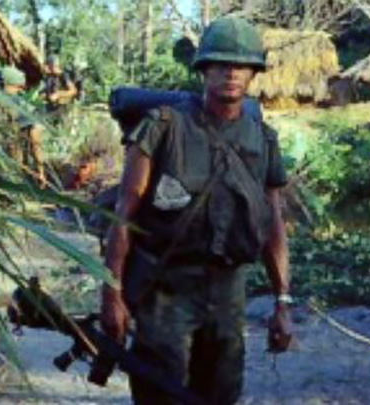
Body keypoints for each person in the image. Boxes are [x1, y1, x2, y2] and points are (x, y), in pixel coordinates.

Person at [100, 17, 293, 405]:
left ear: (253, 74)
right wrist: (112, 292)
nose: (231, 73)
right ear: (204, 70)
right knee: (160, 391)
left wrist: (282, 301)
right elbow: (124, 213)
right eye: (220, 64)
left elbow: (273, 224)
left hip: (227, 290)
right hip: (165, 286)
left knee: (221, 393)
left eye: (241, 66)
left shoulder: (263, 139)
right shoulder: (163, 127)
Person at [0, 66, 47, 188]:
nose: (20, 91)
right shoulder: (18, 104)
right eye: (18, 87)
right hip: (12, 163)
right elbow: (35, 137)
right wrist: (41, 171)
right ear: (8, 85)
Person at [42, 55, 80, 121]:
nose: (46, 69)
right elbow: (46, 91)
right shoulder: (49, 76)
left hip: (63, 109)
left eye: (48, 66)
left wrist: (58, 94)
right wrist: (44, 95)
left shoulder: (64, 76)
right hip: (50, 107)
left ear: (53, 66)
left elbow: (73, 91)